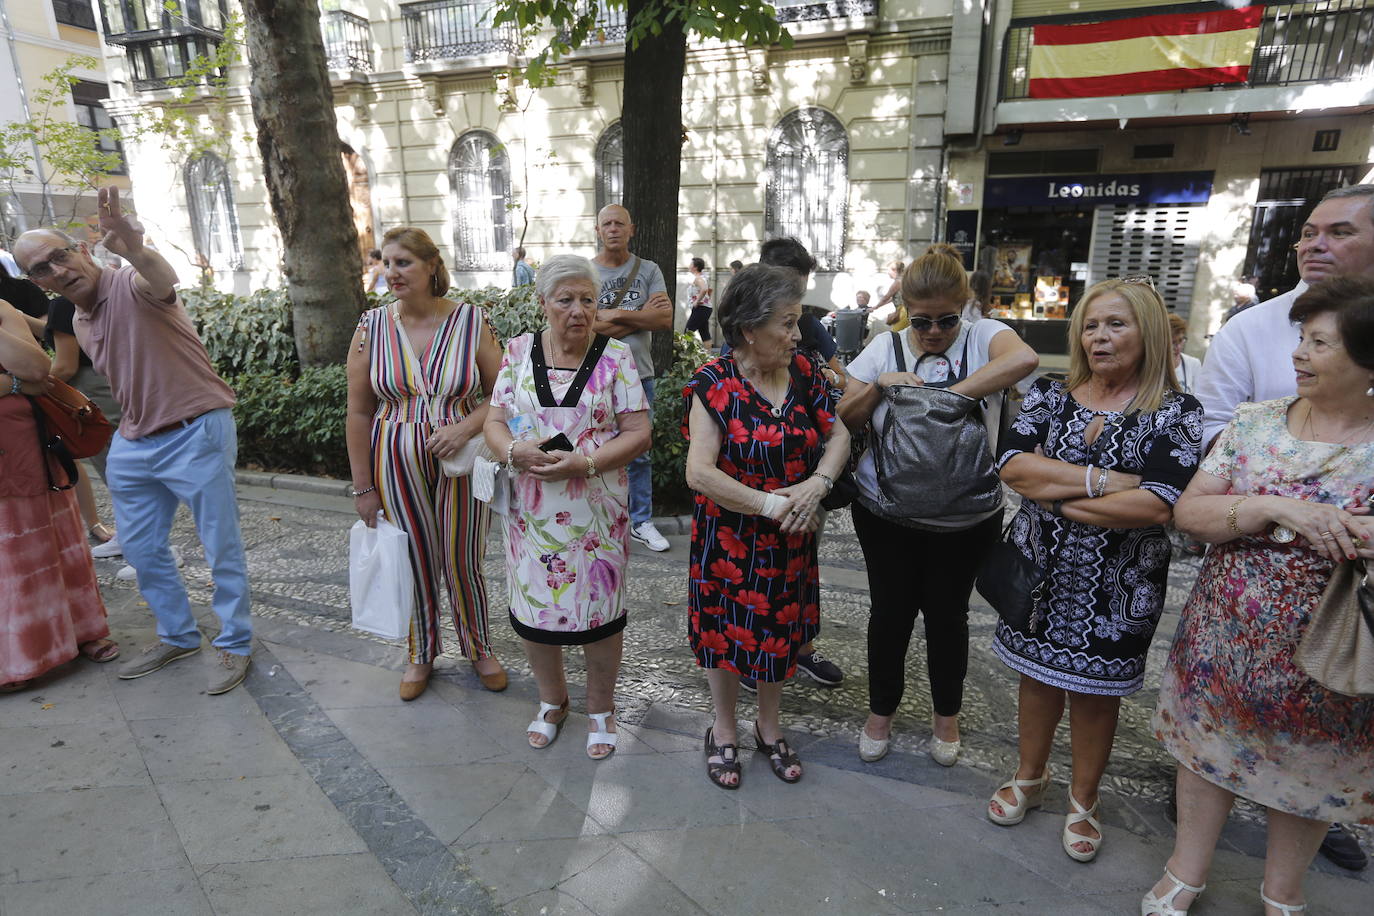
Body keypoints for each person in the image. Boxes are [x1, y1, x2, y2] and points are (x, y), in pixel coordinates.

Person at [1145, 277, 1374, 916]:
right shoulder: (1255, 422)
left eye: (1320, 343)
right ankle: (1185, 871)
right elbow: (1191, 512)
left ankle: (1283, 890)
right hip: (1226, 637)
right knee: (1206, 752)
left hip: (1331, 651)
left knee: (1313, 769)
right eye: (1301, 338)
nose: (1300, 353)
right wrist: (1275, 507)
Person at [987, 278, 1203, 863]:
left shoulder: (1176, 412)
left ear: (1149, 333)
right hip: (1038, 576)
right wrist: (1104, 482)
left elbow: (1157, 503)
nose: (1100, 337)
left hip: (1119, 590)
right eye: (1090, 325)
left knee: (1094, 696)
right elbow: (1012, 467)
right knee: (1035, 682)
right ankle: (1030, 776)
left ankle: (1084, 799)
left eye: (1116, 324)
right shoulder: (1050, 395)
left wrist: (1054, 492)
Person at [1192, 183, 1374, 871]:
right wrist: (1278, 503)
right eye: (1308, 231)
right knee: (1211, 742)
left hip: (1339, 622)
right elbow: (1211, 446)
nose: (1315, 245)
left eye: (1339, 232)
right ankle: (1198, 841)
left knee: (1317, 754)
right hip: (1237, 607)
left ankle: (1293, 860)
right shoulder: (1251, 330)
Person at [15, 187, 253, 695]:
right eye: (41, 269)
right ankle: (178, 635)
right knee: (141, 550)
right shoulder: (78, 318)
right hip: (136, 441)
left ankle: (235, 642)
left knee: (220, 545)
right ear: (34, 281)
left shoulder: (130, 284)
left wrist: (135, 250)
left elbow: (162, 280)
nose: (56, 270)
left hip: (196, 429)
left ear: (81, 249)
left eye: (61, 255)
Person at [839, 244, 1038, 766]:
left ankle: (945, 717)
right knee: (891, 613)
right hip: (887, 514)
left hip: (969, 516)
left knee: (947, 617)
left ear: (966, 305)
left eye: (947, 320)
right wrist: (881, 384)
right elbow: (846, 416)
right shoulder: (884, 348)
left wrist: (950, 396)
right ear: (904, 308)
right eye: (922, 321)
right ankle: (880, 712)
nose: (933, 332)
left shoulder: (984, 336)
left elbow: (1025, 359)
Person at [683, 263, 850, 789]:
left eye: (797, 321)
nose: (797, 334)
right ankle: (724, 728)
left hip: (792, 540)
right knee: (723, 635)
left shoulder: (802, 372)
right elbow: (699, 472)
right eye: (788, 322)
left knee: (782, 631)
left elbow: (840, 434)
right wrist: (771, 505)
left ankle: (768, 725)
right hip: (729, 540)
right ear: (751, 328)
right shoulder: (714, 384)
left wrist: (817, 484)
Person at [483, 254, 650, 758]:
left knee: (599, 613)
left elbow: (639, 433)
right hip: (531, 515)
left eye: (588, 300)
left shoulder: (616, 356)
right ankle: (552, 701)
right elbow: (493, 423)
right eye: (566, 300)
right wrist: (513, 451)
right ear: (542, 304)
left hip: (597, 513)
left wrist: (586, 463)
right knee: (537, 611)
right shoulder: (516, 352)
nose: (578, 310)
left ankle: (601, 707)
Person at [346, 227, 507, 701]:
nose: (392, 273)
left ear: (432, 265)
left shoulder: (471, 320)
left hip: (464, 454)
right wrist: (362, 487)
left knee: (464, 556)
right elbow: (357, 410)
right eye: (387, 263)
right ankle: (421, 651)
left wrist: (465, 426)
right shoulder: (370, 327)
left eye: (404, 263)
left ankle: (479, 647)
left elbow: (503, 392)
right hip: (392, 457)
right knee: (413, 555)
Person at [0, 297, 119, 692]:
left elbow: (38, 371)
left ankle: (82, 632)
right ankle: (20, 657)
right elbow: (25, 378)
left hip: (26, 448)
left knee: (52, 543)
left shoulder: (2, 309)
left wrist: (16, 381)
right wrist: (12, 383)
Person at [591, 204, 674, 553]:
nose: (613, 229)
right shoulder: (586, 272)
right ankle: (603, 518)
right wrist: (640, 316)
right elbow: (588, 324)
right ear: (598, 230)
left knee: (639, 451)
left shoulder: (649, 270)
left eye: (619, 223)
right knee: (596, 446)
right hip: (596, 374)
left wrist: (614, 315)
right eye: (606, 223)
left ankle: (641, 521)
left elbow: (663, 319)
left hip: (640, 375)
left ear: (632, 229)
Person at [47, 294, 124, 555]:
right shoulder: (102, 294)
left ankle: (138, 542)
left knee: (114, 469)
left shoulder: (62, 303)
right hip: (112, 381)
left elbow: (66, 366)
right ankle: (138, 538)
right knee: (124, 466)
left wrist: (28, 384)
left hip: (92, 389)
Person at [1167, 313, 1201, 395]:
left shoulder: (1193, 364)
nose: (1178, 347)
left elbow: (1199, 398)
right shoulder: (1153, 366)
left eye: (1181, 340)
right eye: (1173, 342)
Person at [683, 256, 713, 346]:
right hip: (704, 308)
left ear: (695, 267)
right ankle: (708, 357)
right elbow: (710, 290)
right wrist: (706, 300)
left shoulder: (699, 278)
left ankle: (686, 354)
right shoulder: (703, 277)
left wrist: (697, 301)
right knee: (704, 333)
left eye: (691, 264)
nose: (689, 265)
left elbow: (704, 289)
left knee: (688, 332)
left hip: (701, 308)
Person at [877, 260, 907, 330]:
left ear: (894, 270)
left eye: (888, 270)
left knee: (896, 333)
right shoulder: (903, 279)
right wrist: (881, 305)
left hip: (902, 311)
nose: (887, 273)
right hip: (905, 310)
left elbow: (886, 296)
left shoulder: (898, 282)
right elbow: (893, 298)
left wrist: (875, 307)